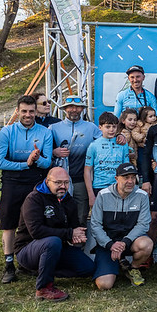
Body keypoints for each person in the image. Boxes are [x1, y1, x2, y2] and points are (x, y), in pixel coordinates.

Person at [0, 95, 53, 284]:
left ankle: (26, 261)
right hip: (11, 181)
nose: (28, 115)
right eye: (24, 111)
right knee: (9, 223)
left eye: (31, 111)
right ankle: (8, 264)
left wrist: (36, 159)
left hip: (34, 181)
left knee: (32, 222)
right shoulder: (6, 132)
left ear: (36, 111)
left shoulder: (45, 132)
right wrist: (26, 163)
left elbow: (47, 162)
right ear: (18, 111)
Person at [14, 167, 94, 301]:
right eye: (58, 183)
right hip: (28, 248)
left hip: (56, 248)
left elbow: (73, 227)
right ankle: (43, 288)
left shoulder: (69, 201)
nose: (62, 186)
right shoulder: (34, 199)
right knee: (53, 241)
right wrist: (69, 233)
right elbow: (36, 231)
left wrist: (77, 236)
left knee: (87, 268)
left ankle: (43, 270)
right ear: (47, 181)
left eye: (66, 183)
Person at [90, 163, 153, 290]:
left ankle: (132, 268)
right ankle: (117, 263)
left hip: (130, 241)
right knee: (104, 285)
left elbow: (143, 224)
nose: (130, 181)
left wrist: (124, 242)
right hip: (108, 243)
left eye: (133, 177)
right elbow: (95, 225)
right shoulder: (103, 195)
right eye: (126, 177)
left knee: (146, 244)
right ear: (116, 178)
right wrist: (110, 245)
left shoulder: (142, 195)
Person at [50, 96, 102, 226]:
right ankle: (61, 243)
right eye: (70, 107)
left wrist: (120, 137)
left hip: (81, 180)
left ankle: (79, 245)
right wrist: (53, 152)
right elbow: (44, 150)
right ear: (64, 109)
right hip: (59, 180)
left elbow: (105, 140)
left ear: (82, 109)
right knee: (58, 215)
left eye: (78, 107)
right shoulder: (53, 128)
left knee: (81, 217)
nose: (74, 110)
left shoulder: (91, 127)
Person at [84, 112, 130, 208]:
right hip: (99, 187)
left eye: (114, 126)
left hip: (118, 187)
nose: (111, 130)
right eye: (108, 127)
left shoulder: (122, 143)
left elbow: (126, 169)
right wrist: (90, 195)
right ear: (100, 127)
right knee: (101, 219)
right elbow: (87, 171)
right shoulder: (93, 145)